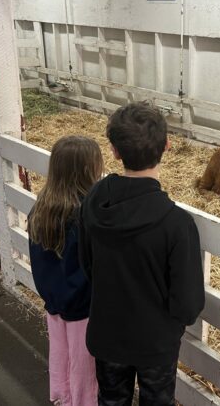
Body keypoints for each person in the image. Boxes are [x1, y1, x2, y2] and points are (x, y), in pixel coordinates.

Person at [79, 102, 205, 406]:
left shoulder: (95, 199)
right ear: (167, 145)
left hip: (107, 333)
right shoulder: (177, 224)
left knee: (111, 400)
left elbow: (86, 263)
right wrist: (172, 324)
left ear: (114, 151)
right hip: (155, 343)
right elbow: (188, 304)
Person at [28, 135, 104, 406]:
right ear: (87, 170)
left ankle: (62, 398)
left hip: (54, 303)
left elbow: (38, 261)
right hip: (83, 308)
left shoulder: (40, 210)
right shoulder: (86, 216)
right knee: (84, 370)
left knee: (60, 356)